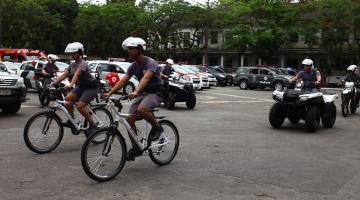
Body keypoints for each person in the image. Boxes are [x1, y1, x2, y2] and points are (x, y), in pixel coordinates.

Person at [105, 37, 164, 161]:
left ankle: (157, 127)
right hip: (142, 93)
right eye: (128, 49)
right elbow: (123, 81)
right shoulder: (133, 66)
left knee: (142, 109)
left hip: (156, 92)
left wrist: (136, 91)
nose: (129, 51)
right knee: (129, 119)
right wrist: (110, 93)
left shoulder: (150, 62)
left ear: (139, 49)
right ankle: (136, 147)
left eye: (132, 49)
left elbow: (146, 78)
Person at [49, 42, 99, 135]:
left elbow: (77, 74)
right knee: (68, 99)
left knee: (80, 106)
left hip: (91, 88)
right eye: (71, 53)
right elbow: (64, 75)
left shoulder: (83, 63)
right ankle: (71, 120)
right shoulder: (72, 65)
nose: (72, 55)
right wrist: (53, 83)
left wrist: (71, 84)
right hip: (81, 87)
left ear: (80, 53)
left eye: (74, 53)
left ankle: (93, 125)